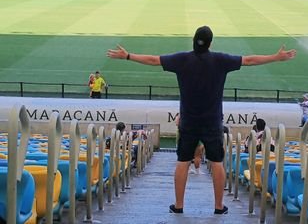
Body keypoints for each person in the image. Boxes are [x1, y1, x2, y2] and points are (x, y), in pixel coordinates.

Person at [107, 25, 296, 215]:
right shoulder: (220, 60)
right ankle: (218, 206)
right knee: (217, 162)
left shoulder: (182, 59)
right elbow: (249, 60)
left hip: (188, 122)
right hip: (213, 122)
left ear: (193, 40)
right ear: (210, 43)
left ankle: (179, 205)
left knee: (182, 161)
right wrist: (276, 57)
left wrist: (128, 55)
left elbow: (153, 60)